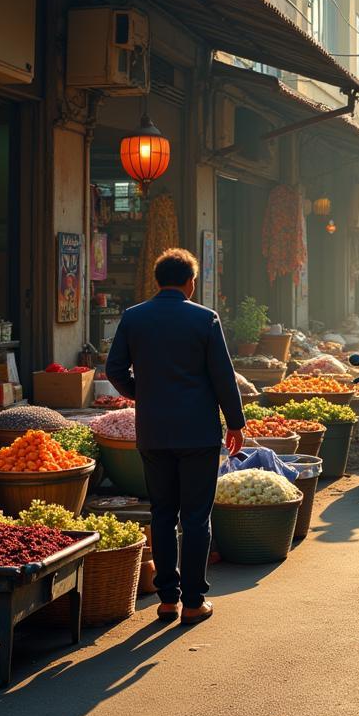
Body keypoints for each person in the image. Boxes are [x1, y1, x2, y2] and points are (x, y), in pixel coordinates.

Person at [106, 248, 245, 626]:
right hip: (198, 432)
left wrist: (141, 392)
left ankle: (167, 600)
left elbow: (114, 367)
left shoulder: (134, 318)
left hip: (153, 432)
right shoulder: (205, 319)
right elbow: (222, 376)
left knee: (162, 514)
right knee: (196, 518)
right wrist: (235, 422)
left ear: (157, 281)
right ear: (190, 282)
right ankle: (194, 602)